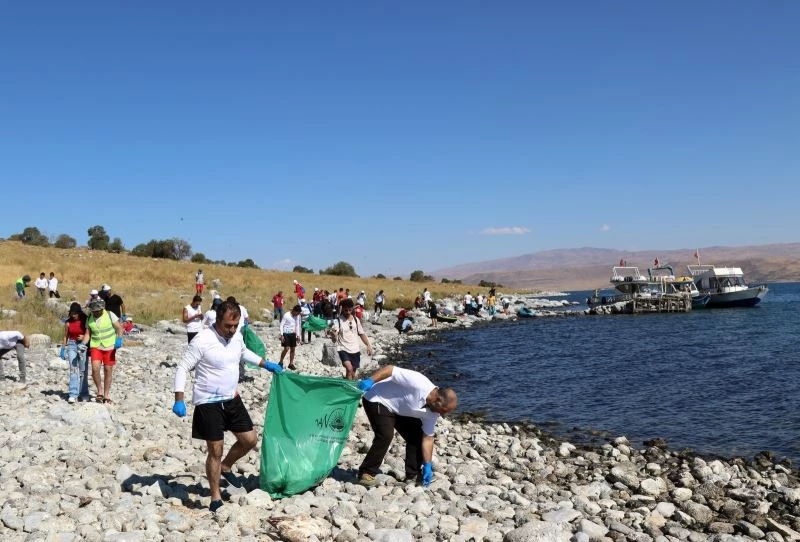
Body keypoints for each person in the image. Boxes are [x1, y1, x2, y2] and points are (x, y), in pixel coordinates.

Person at [171, 300, 282, 513]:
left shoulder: (237, 335)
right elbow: (182, 367)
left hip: (231, 398)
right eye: (228, 326)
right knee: (216, 449)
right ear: (217, 320)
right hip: (208, 402)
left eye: (235, 325)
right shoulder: (202, 339)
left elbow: (243, 352)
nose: (232, 330)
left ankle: (226, 466)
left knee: (250, 440)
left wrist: (265, 363)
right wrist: (179, 398)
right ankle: (215, 496)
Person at [356, 365, 457, 487]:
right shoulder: (418, 383)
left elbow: (427, 438)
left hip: (400, 409)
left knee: (417, 436)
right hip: (378, 398)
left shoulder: (433, 412)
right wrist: (371, 380)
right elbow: (390, 370)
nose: (443, 415)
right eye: (443, 410)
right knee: (385, 435)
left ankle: (412, 475)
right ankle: (366, 473)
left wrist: (428, 464)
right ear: (438, 399)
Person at [82, 298, 124, 404]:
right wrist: (82, 344)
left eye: (97, 311)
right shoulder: (90, 318)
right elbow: (88, 334)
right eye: (93, 311)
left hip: (110, 346)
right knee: (95, 369)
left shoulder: (110, 315)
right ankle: (99, 391)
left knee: (107, 370)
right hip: (96, 346)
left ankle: (106, 395)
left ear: (102, 309)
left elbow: (119, 328)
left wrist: (119, 339)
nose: (95, 312)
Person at [329, 298, 373, 380]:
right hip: (343, 348)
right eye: (345, 308)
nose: (347, 310)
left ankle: (349, 385)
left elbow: (361, 333)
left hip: (355, 349)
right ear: (342, 308)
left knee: (353, 373)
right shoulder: (338, 321)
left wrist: (368, 345)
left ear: (352, 308)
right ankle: (348, 391)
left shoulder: (356, 320)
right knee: (349, 369)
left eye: (349, 307)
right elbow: (334, 338)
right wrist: (334, 335)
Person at [63, 302, 90, 403]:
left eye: (75, 313)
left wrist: (83, 337)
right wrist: (63, 348)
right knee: (73, 369)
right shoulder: (68, 322)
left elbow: (89, 333)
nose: (73, 315)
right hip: (72, 345)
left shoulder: (85, 320)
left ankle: (84, 393)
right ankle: (73, 393)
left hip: (83, 345)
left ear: (79, 313)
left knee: (83, 371)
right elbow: (66, 336)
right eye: (72, 313)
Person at [279, 305, 301, 370]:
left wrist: (298, 335)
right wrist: (281, 334)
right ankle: (280, 362)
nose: (297, 315)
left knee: (293, 349)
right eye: (297, 313)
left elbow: (297, 325)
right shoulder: (286, 315)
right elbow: (281, 325)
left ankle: (291, 364)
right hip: (286, 333)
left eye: (298, 313)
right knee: (286, 348)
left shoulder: (298, 316)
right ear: (294, 311)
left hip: (293, 333)